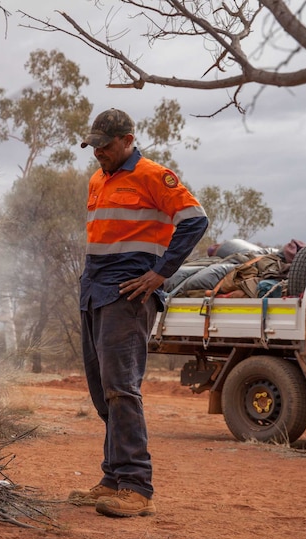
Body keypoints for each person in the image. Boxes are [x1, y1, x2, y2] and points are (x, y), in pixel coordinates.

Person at [69, 109, 208, 518]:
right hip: (93, 292)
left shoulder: (153, 175)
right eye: (93, 145)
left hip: (127, 295)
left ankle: (136, 485)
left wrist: (159, 274)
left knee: (121, 388)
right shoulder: (98, 179)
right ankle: (113, 478)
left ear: (128, 139)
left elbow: (194, 221)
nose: (98, 153)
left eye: (105, 145)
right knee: (101, 391)